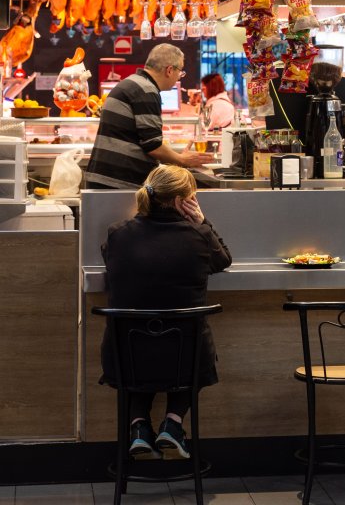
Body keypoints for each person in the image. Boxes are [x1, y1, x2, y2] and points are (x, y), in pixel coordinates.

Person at [100, 165, 232, 460]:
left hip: (125, 358)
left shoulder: (118, 234)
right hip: (185, 358)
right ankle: (173, 423)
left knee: (140, 354)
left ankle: (138, 427)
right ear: (181, 201)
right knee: (187, 347)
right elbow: (223, 261)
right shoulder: (197, 237)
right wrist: (203, 222)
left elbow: (110, 256)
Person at [86, 44, 213, 189]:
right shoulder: (146, 90)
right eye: (180, 72)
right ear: (170, 70)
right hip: (118, 182)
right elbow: (153, 145)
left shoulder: (132, 82)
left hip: (107, 178)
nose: (180, 76)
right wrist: (182, 160)